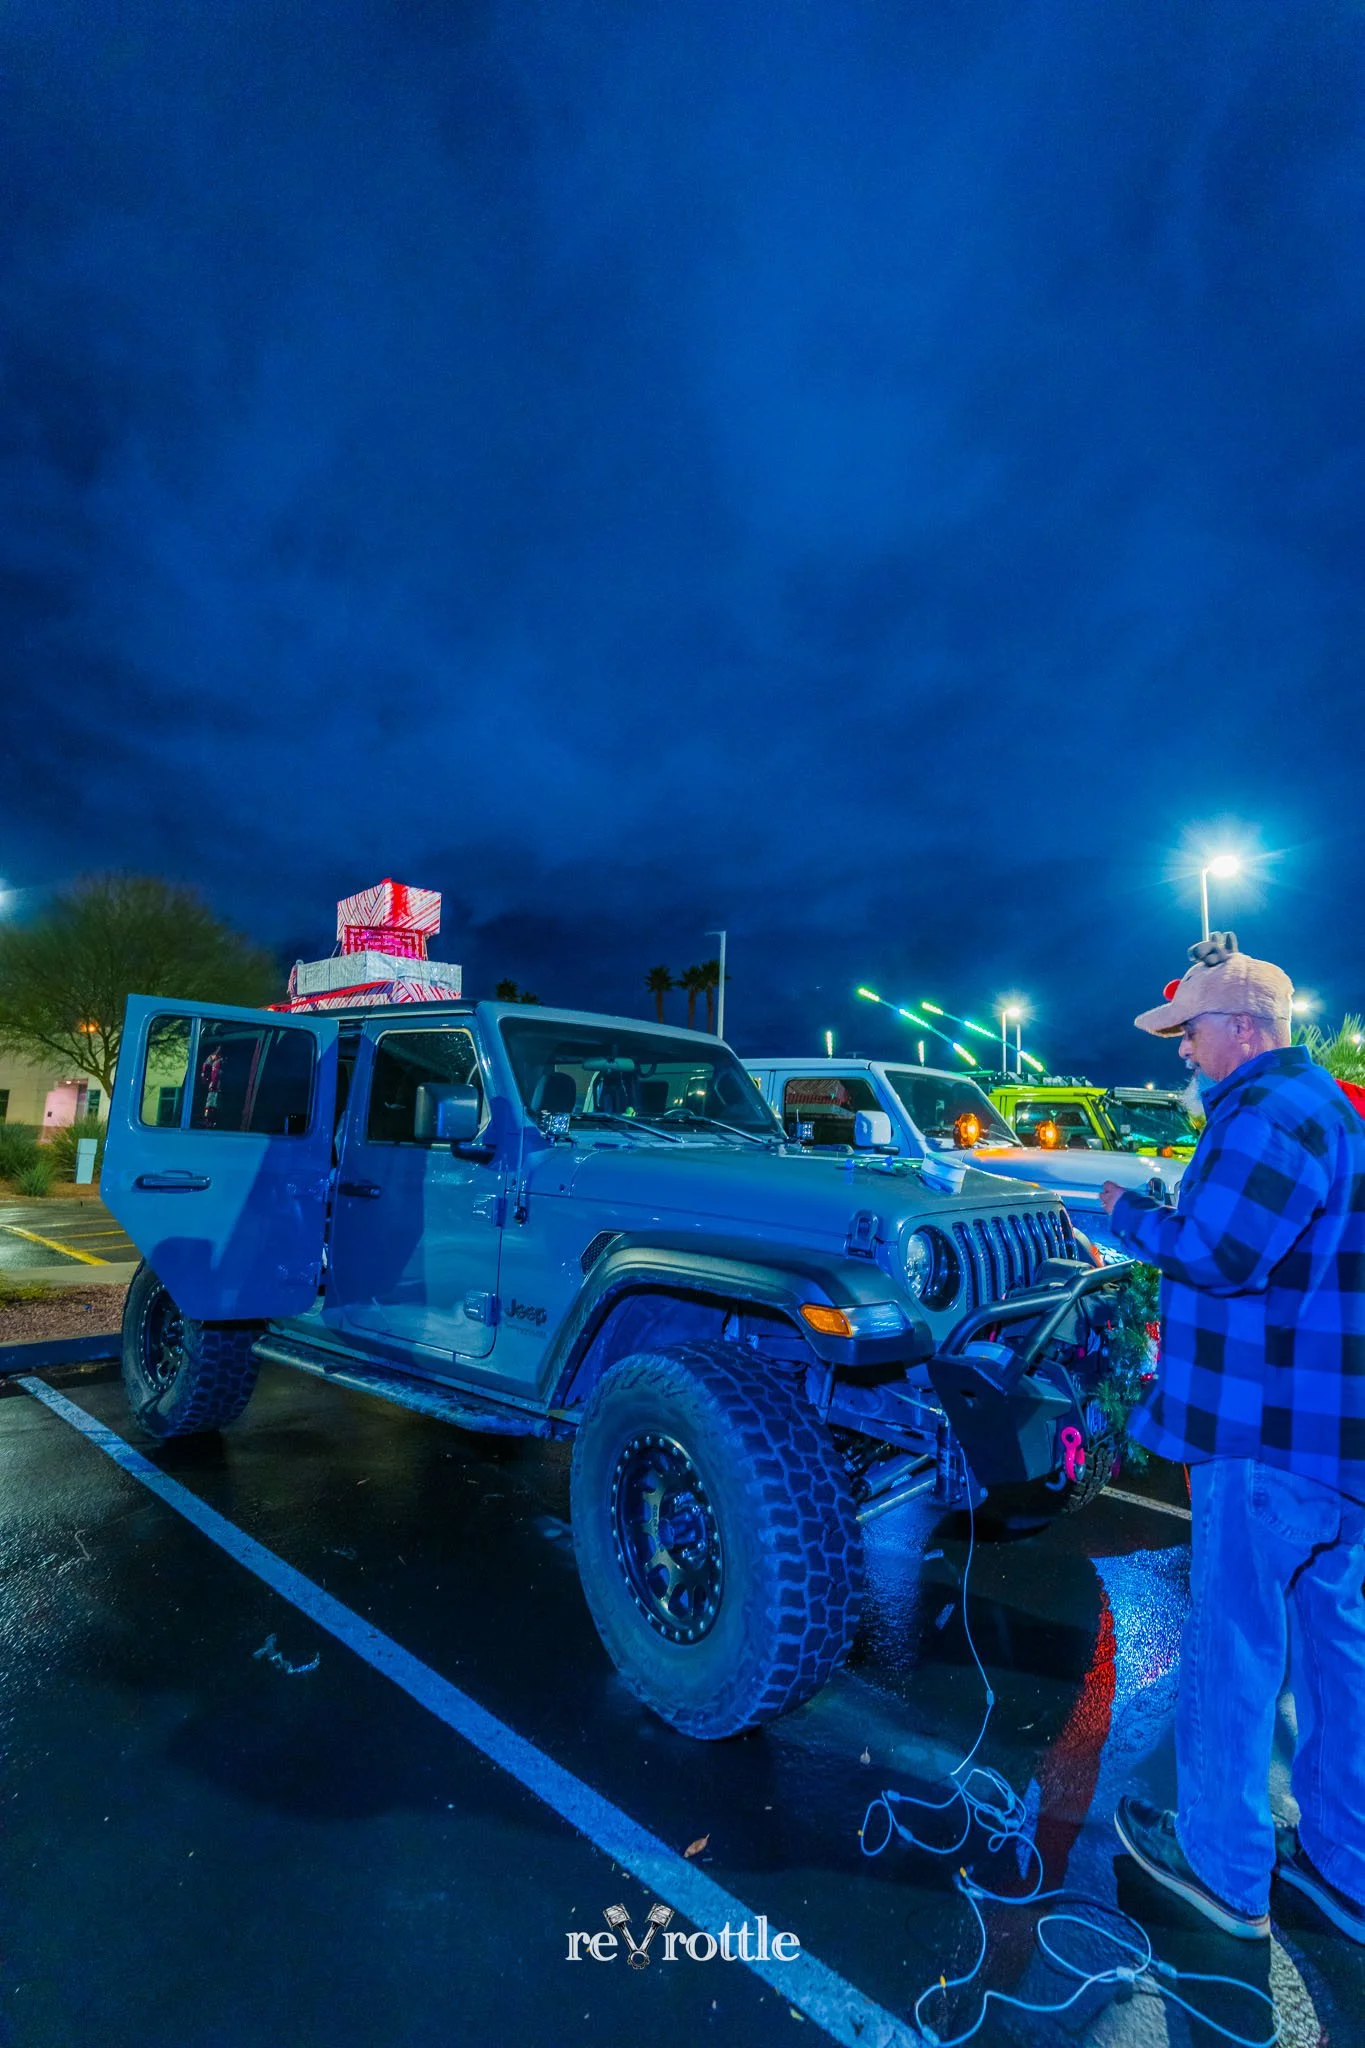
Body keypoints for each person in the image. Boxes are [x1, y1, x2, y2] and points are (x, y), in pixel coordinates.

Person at [1098, 932, 1365, 1943]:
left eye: (1190, 1029)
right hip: (1333, 1435)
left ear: (1244, 1028)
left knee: (1234, 1644)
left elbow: (1217, 1252)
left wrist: (1125, 1213)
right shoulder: (1330, 1107)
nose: (1182, 1049)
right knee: (1335, 1652)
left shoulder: (1263, 1110)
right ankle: (1344, 1861)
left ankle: (1220, 1863)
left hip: (1263, 1433)